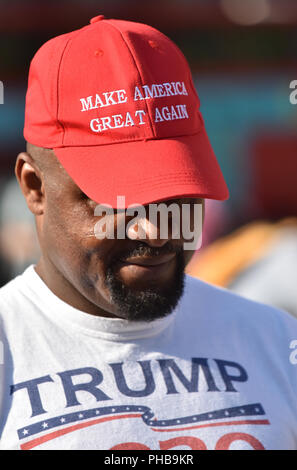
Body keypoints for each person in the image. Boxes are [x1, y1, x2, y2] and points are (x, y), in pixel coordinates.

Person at [0, 15, 296, 451]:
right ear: (35, 187)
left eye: (177, 191)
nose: (158, 231)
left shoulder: (277, 342)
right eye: (117, 201)